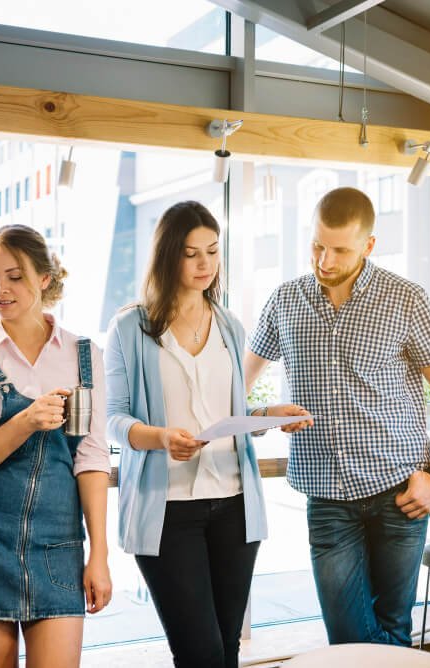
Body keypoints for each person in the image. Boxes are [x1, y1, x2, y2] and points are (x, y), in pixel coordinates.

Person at [244, 186, 430, 647]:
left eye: (340, 249)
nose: (325, 260)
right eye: (317, 245)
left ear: (368, 245)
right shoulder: (285, 301)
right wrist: (266, 414)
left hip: (401, 489)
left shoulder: (405, 298)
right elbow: (232, 390)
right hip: (326, 495)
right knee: (348, 637)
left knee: (394, 624)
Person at [105, 201, 310, 668]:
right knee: (200, 652)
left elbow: (231, 412)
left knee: (227, 647)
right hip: (168, 510)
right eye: (191, 253)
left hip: (234, 505)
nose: (204, 264)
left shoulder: (230, 326)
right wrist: (159, 437)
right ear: (168, 256)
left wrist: (267, 413)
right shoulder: (129, 328)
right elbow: (112, 419)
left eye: (213, 252)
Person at [0, 224, 112, 668]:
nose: (1, 289)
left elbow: (91, 459)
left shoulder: (85, 354)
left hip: (58, 547)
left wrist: (100, 555)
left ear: (45, 278)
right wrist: (25, 421)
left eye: (15, 276)